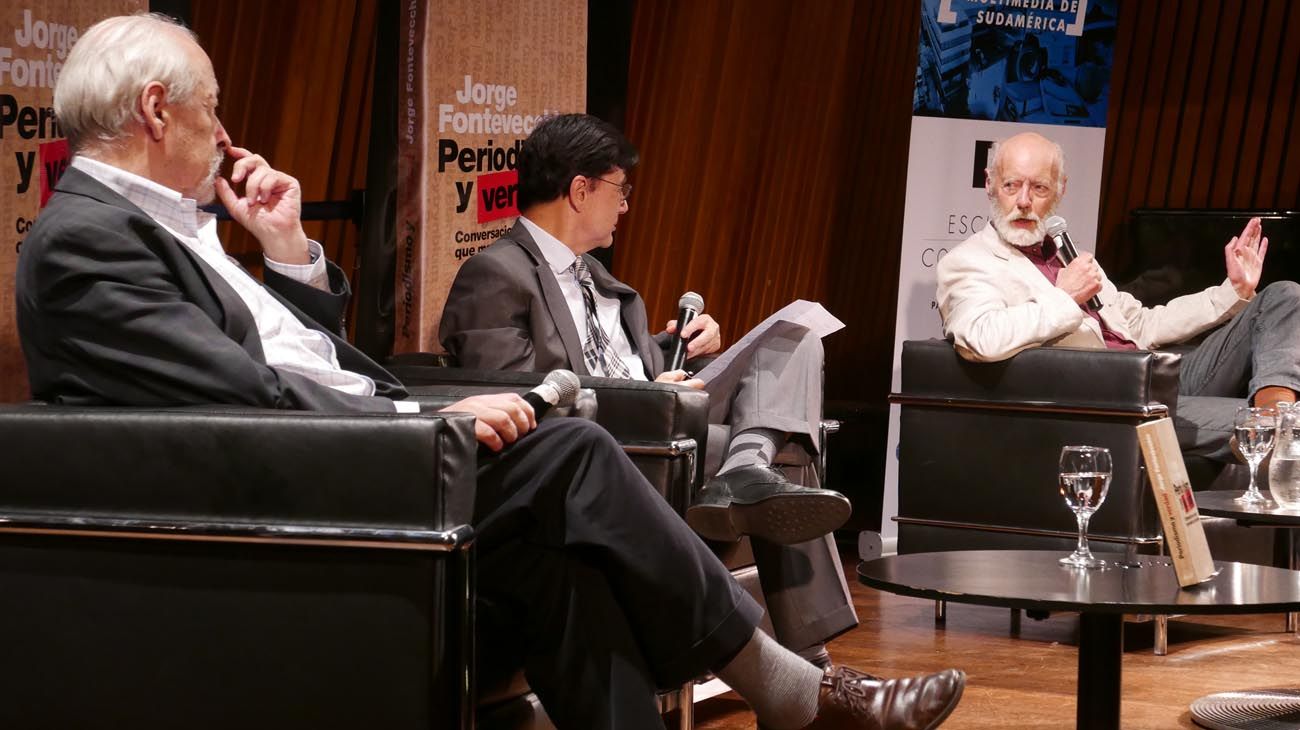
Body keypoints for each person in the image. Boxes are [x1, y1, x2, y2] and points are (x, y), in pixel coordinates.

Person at [16, 13, 965, 730]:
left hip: (353, 451)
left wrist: (292, 251)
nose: (225, 133)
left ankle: (789, 683)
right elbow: (241, 398)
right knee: (579, 455)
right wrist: (424, 426)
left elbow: (292, 359)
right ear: (154, 109)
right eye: (212, 104)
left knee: (565, 558)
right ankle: (793, 688)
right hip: (317, 485)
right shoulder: (85, 242)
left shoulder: (169, 228)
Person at [439, 113, 858, 665]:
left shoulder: (595, 276)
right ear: (580, 189)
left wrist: (673, 345)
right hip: (622, 448)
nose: (626, 205)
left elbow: (614, 357)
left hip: (670, 415)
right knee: (786, 462)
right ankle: (812, 666)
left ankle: (742, 470)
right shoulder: (496, 274)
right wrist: (640, 395)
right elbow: (524, 402)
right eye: (620, 189)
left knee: (797, 337)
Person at [937, 131, 1300, 461]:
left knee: (1283, 295)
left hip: (1153, 373)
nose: (1024, 201)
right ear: (989, 184)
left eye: (1040, 188)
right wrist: (1064, 297)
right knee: (1280, 431)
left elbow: (1140, 323)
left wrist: (1233, 291)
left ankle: (1277, 414)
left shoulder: (1065, 253)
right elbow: (979, 337)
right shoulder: (969, 262)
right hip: (1115, 401)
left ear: (1061, 190)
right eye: (1011, 185)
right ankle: (1277, 431)